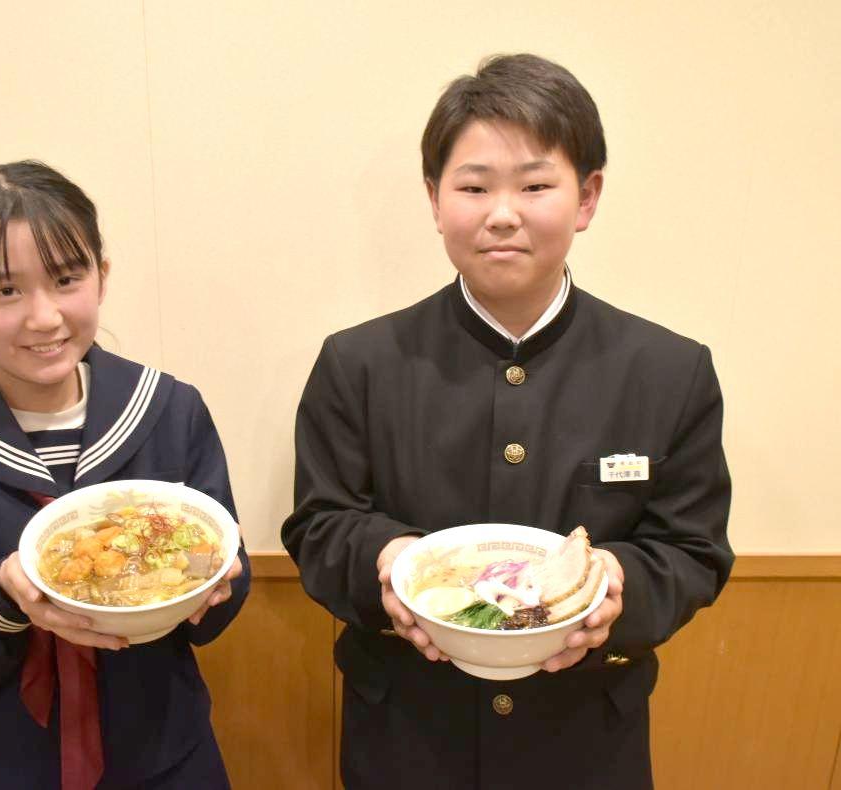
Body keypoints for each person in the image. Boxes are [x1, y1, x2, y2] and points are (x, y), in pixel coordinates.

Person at [282, 54, 732, 789]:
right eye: (473, 185)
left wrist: (618, 586)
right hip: (406, 741)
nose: (502, 212)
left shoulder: (669, 371)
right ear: (434, 199)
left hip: (586, 743)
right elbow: (319, 526)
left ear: (586, 198)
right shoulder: (358, 363)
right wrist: (389, 561)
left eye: (534, 184)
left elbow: (693, 549)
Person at [0, 160, 250, 789]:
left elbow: (219, 602)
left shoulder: (168, 409)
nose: (44, 317)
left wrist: (215, 580)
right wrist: (1, 595)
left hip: (167, 759)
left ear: (102, 276)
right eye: (6, 291)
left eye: (66, 278)